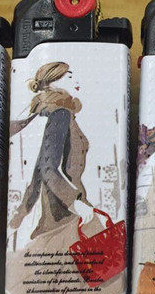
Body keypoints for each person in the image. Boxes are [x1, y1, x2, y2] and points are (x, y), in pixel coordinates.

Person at [9, 61, 105, 237]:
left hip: (58, 215)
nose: (75, 79)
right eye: (69, 76)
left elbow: (39, 172)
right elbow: (47, 168)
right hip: (68, 215)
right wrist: (76, 203)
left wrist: (18, 217)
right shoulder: (60, 113)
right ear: (53, 81)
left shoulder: (47, 112)